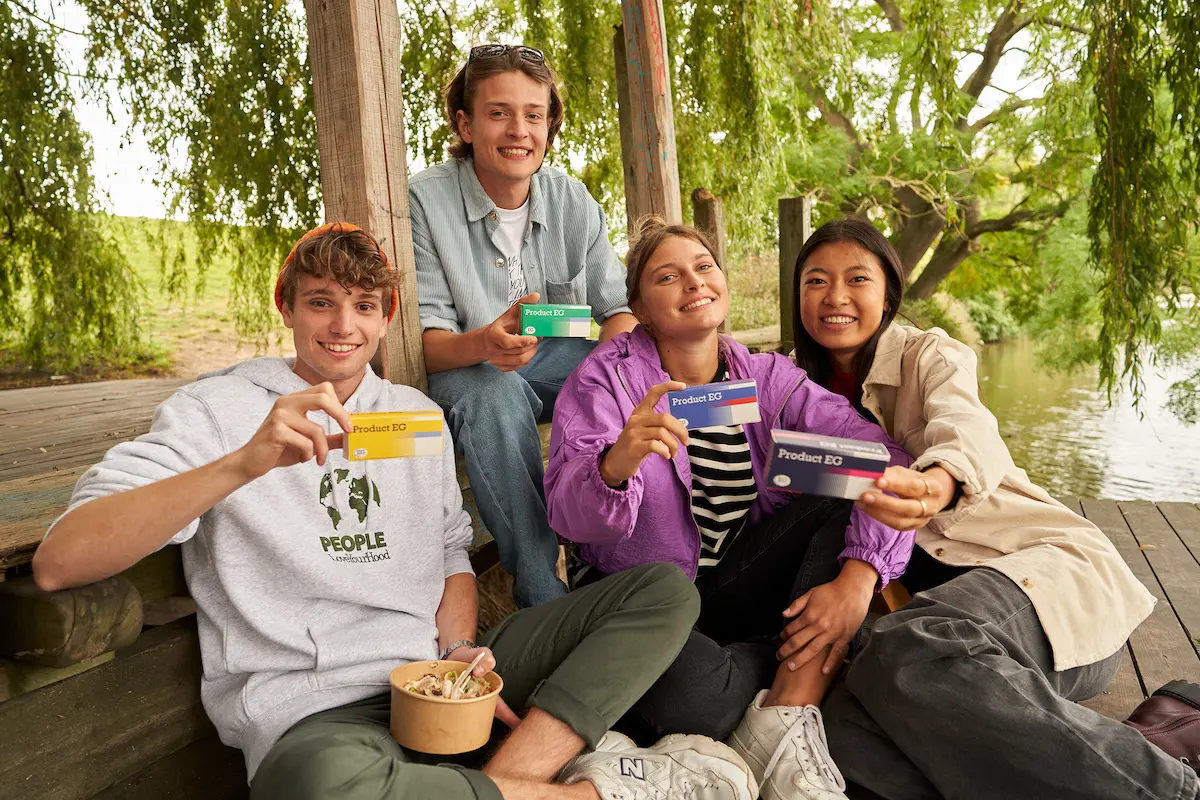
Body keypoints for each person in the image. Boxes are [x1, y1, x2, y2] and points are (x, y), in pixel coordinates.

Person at [31, 222, 761, 800]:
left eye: (364, 306)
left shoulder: (415, 415)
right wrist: (244, 463)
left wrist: (456, 658)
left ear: (387, 318)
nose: (343, 324)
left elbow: (449, 553)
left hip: (439, 683)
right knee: (306, 786)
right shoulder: (214, 410)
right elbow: (63, 560)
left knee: (662, 593)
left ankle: (505, 773)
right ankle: (588, 790)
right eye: (321, 301)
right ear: (286, 307)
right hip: (317, 713)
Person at [790, 216, 1200, 800]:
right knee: (842, 732)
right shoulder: (789, 388)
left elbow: (967, 427)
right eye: (815, 281)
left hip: (1047, 594)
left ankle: (1169, 790)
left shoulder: (930, 355)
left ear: (888, 296)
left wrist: (936, 484)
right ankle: (1153, 744)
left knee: (910, 644)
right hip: (954, 662)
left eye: (857, 279)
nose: (835, 297)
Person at [544, 217, 915, 800]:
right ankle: (787, 676)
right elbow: (568, 517)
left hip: (734, 583)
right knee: (702, 707)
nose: (693, 283)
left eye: (704, 267)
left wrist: (859, 578)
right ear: (639, 306)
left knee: (842, 485)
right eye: (668, 276)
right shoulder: (607, 381)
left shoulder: (765, 379)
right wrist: (614, 465)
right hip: (645, 605)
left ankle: (780, 704)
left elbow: (880, 459)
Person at [409, 44, 638, 608]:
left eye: (534, 115)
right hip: (468, 369)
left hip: (558, 361)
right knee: (493, 393)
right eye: (498, 112)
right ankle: (543, 596)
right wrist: (485, 342)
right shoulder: (422, 201)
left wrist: (607, 385)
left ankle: (616, 560)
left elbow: (618, 311)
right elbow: (425, 346)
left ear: (549, 124)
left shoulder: (572, 200)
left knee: (637, 374)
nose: (519, 130)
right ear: (464, 123)